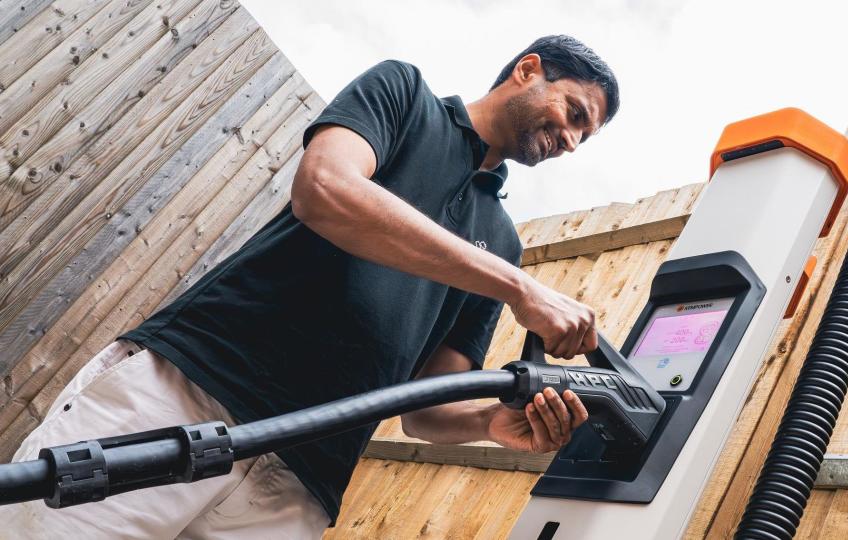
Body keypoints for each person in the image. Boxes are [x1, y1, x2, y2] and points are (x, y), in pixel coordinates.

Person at [0, 34, 619, 538]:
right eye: (573, 114)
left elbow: (427, 408)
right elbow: (324, 191)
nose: (570, 140)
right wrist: (517, 288)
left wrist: (490, 421)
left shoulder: (501, 240)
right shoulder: (404, 95)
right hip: (187, 398)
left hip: (298, 488)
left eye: (584, 137)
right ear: (528, 70)